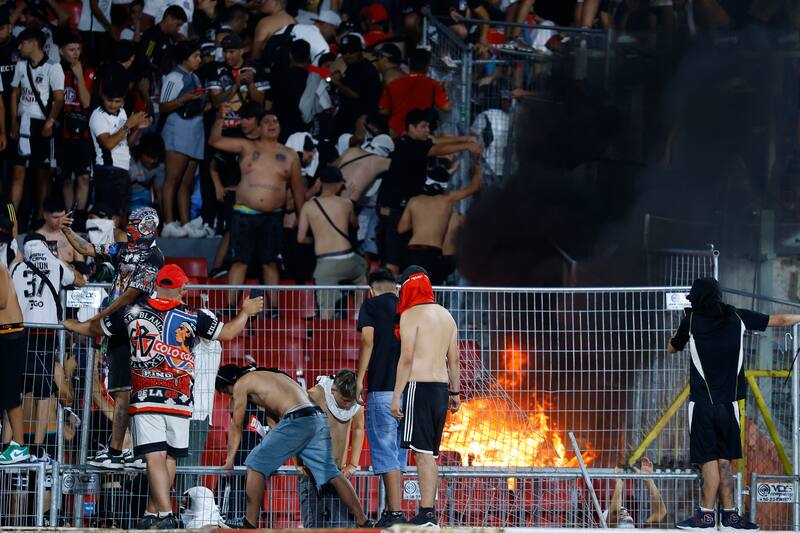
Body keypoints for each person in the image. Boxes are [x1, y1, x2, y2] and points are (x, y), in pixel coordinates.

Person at [63, 264, 264, 529]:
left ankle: (165, 514)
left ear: (157, 285)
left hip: (147, 396)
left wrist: (70, 324)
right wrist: (246, 313)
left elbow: (95, 329)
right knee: (169, 456)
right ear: (182, 288)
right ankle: (155, 513)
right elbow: (227, 333)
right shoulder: (193, 315)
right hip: (180, 398)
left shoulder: (132, 311)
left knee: (154, 456)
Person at [668, 277, 800, 530]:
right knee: (725, 462)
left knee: (708, 461)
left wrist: (681, 327)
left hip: (702, 406)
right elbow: (779, 320)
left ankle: (705, 517)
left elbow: (672, 348)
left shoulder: (691, 321)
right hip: (730, 406)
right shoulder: (736, 317)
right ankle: (730, 517)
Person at [59, 206, 165, 469]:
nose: (129, 227)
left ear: (147, 226)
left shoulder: (153, 256)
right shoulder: (125, 250)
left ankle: (122, 452)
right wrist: (68, 231)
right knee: (122, 392)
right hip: (117, 327)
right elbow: (88, 250)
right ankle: (125, 452)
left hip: (135, 330)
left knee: (127, 393)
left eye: (134, 223)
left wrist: (102, 315)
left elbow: (130, 295)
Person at [215, 364, 373, 528]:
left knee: (254, 463)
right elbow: (273, 412)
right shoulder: (266, 375)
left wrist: (229, 460)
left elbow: (237, 425)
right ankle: (364, 520)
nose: (231, 397)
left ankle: (249, 522)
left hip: (297, 418)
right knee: (331, 473)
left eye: (228, 393)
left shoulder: (242, 383)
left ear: (230, 382)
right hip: (315, 416)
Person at [208, 109, 305, 316]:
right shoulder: (246, 146)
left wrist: (301, 217)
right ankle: (231, 306)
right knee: (239, 261)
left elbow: (298, 191)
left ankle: (274, 309)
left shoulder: (289, 155)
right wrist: (219, 118)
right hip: (244, 212)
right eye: (267, 121)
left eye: (276, 120)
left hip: (273, 216)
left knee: (271, 262)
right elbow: (215, 141)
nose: (272, 124)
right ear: (259, 127)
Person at [390, 266, 461, 527]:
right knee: (428, 453)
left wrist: (397, 395)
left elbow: (406, 358)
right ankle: (428, 513)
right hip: (441, 389)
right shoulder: (447, 316)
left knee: (421, 454)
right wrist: (455, 392)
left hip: (419, 387)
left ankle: (427, 513)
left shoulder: (410, 315)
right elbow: (454, 361)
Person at [376, 109, 482, 274]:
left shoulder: (416, 141)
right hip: (395, 209)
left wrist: (466, 139)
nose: (427, 130)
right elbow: (437, 149)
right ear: (411, 127)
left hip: (403, 210)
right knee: (393, 263)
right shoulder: (409, 146)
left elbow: (438, 141)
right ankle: (389, 296)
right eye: (423, 126)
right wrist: (467, 145)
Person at [10, 233, 85, 462]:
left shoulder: (16, 268)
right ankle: (37, 449)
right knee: (44, 396)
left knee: (15, 395)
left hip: (20, 334)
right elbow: (81, 281)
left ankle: (9, 445)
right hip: (45, 336)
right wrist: (58, 259)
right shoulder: (55, 265)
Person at [356, 268, 407, 527]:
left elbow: (367, 340)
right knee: (398, 454)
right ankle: (391, 510)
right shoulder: (408, 306)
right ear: (396, 287)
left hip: (382, 389)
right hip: (409, 392)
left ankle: (395, 513)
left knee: (386, 452)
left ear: (371, 289)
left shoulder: (371, 305)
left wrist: (358, 379)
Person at [398, 155, 482, 284]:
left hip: (413, 252)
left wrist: (419, 221)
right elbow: (475, 187)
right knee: (432, 294)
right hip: (433, 253)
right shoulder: (447, 200)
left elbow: (401, 228)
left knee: (411, 293)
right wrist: (477, 166)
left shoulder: (414, 201)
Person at [9, 28, 64, 221]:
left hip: (42, 125)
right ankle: (11, 220)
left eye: (22, 43)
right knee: (17, 173)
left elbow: (59, 99)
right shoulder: (21, 65)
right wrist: (14, 122)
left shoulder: (53, 67)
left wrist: (50, 122)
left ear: (34, 43)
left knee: (42, 176)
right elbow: (14, 93)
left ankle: (41, 219)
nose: (19, 46)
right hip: (23, 123)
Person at [297, 166, 366, 319]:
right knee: (362, 274)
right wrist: (349, 199)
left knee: (326, 310)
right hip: (348, 259)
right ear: (339, 184)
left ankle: (326, 334)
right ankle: (357, 314)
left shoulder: (308, 206)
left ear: (320, 183)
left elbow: (300, 239)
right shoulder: (346, 203)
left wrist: (316, 240)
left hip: (326, 264)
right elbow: (355, 225)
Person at [300, 370, 365, 528]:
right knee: (314, 526)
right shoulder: (315, 395)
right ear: (333, 391)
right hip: (312, 473)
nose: (348, 404)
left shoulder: (356, 404)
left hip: (339, 474)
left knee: (343, 527)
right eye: (345, 400)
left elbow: (358, 429)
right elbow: (298, 427)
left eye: (351, 401)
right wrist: (299, 462)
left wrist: (353, 464)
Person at [158, 41, 208, 239]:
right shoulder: (173, 77)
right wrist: (183, 100)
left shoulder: (194, 77)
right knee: (173, 179)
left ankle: (186, 223)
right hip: (178, 128)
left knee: (187, 182)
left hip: (195, 130)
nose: (199, 59)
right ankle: (169, 222)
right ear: (184, 58)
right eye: (195, 56)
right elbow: (163, 106)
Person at [89, 75, 150, 217]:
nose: (112, 105)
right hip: (106, 171)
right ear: (102, 96)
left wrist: (139, 127)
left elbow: (125, 143)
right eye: (109, 100)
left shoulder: (122, 113)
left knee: (121, 216)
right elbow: (109, 144)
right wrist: (128, 124)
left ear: (123, 100)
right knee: (105, 218)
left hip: (122, 171)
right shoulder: (97, 116)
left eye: (117, 101)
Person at [56, 31, 94, 229]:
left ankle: (80, 218)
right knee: (66, 179)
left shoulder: (88, 72)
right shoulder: (57, 72)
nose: (76, 53)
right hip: (64, 134)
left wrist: (79, 75)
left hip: (85, 135)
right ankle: (69, 217)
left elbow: (87, 102)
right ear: (61, 51)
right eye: (71, 50)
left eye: (79, 49)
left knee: (83, 177)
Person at [378, 48, 451, 137]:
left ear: (409, 64)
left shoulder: (393, 84)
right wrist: (445, 90)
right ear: (427, 66)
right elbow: (446, 108)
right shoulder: (433, 85)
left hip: (396, 134)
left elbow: (383, 111)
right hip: (419, 135)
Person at [0, 262, 28, 464]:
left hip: (10, 334)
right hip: (6, 333)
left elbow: (1, 301)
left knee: (10, 394)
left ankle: (19, 445)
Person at [331, 33, 382, 137]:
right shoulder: (353, 67)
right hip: (349, 121)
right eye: (344, 52)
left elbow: (356, 95)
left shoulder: (365, 69)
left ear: (360, 51)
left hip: (360, 124)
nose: (348, 55)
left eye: (352, 51)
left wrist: (338, 83)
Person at [605, 457, 667, 528]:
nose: (623, 513)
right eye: (621, 513)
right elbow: (614, 514)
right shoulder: (611, 528)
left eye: (625, 514)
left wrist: (648, 480)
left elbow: (660, 512)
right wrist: (619, 484)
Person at [36, 196, 83, 264]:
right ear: (45, 215)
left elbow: (81, 266)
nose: (60, 221)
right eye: (56, 217)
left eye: (62, 216)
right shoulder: (36, 238)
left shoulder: (71, 235)